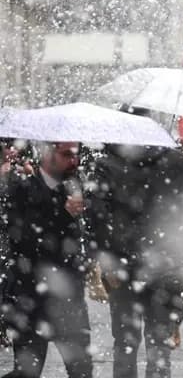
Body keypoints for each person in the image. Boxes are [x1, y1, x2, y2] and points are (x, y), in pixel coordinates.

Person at [86, 141, 183, 378]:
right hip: (166, 262)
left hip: (122, 265)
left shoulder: (106, 165)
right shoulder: (177, 163)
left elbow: (96, 217)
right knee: (159, 342)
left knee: (126, 341)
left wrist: (106, 257)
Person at [0, 141, 93, 378]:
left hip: (69, 301)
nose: (74, 161)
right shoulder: (21, 188)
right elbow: (24, 242)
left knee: (81, 371)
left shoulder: (77, 187)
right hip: (31, 298)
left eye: (76, 154)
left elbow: (88, 237)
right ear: (47, 154)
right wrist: (63, 215)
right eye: (66, 155)